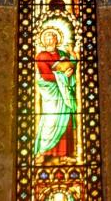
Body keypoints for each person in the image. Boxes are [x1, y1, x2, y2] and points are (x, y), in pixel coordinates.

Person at [34, 28, 77, 162]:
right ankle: (44, 152)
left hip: (64, 91)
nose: (49, 40)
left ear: (56, 39)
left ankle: (65, 154)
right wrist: (63, 75)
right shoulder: (41, 56)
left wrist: (71, 67)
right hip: (51, 94)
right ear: (43, 41)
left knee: (65, 121)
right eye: (46, 38)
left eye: (52, 37)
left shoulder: (62, 53)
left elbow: (71, 66)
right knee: (51, 121)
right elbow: (45, 75)